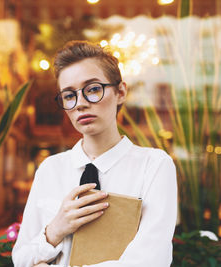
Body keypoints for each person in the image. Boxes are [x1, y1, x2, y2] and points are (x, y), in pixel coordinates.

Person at [12, 40, 177, 267]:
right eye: (69, 95)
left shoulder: (154, 165)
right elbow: (21, 259)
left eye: (92, 90)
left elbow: (151, 260)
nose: (80, 104)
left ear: (120, 92)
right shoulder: (51, 169)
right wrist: (55, 229)